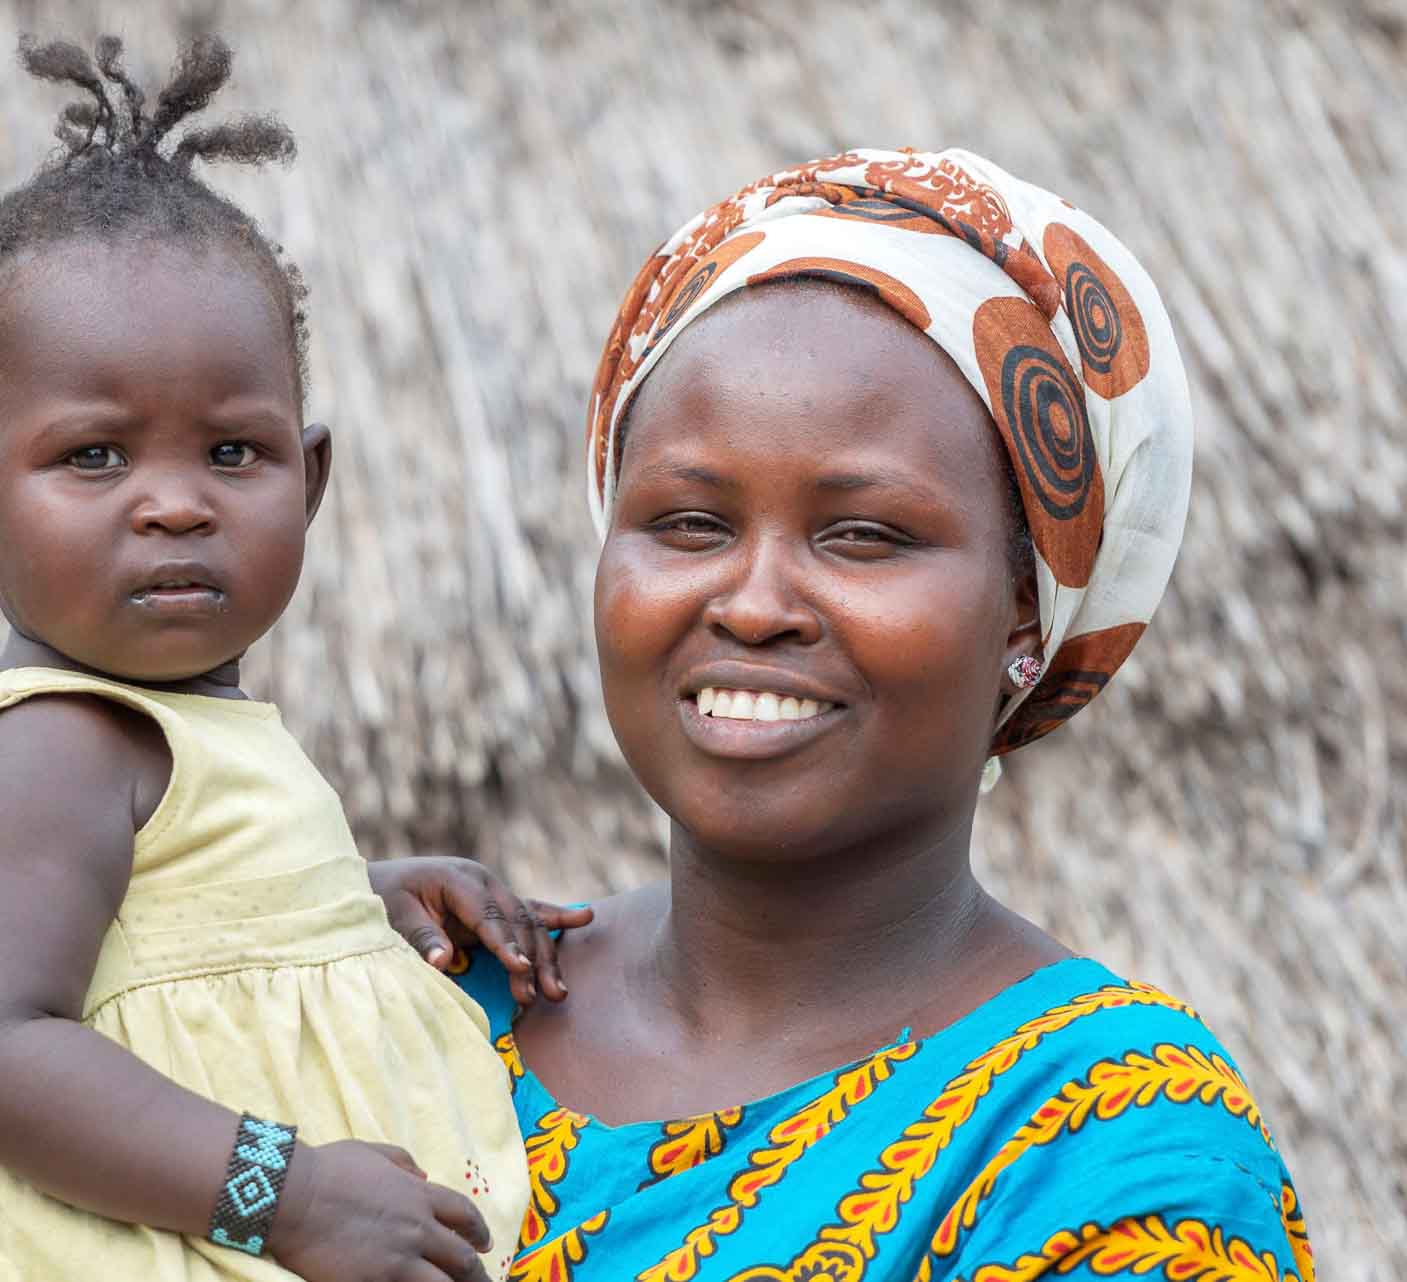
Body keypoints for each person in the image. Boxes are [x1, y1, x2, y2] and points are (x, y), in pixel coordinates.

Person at [372, 150, 1315, 1282]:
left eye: (862, 535)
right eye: (687, 523)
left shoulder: (1112, 1144)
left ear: (1027, 608)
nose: (755, 603)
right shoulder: (422, 1008)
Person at [0, 33, 559, 1282]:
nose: (175, 504)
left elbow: (188, 939)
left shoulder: (187, 734)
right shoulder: (52, 745)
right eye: (94, 457)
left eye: (232, 456)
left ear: (309, 479)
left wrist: (358, 905)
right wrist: (282, 1195)